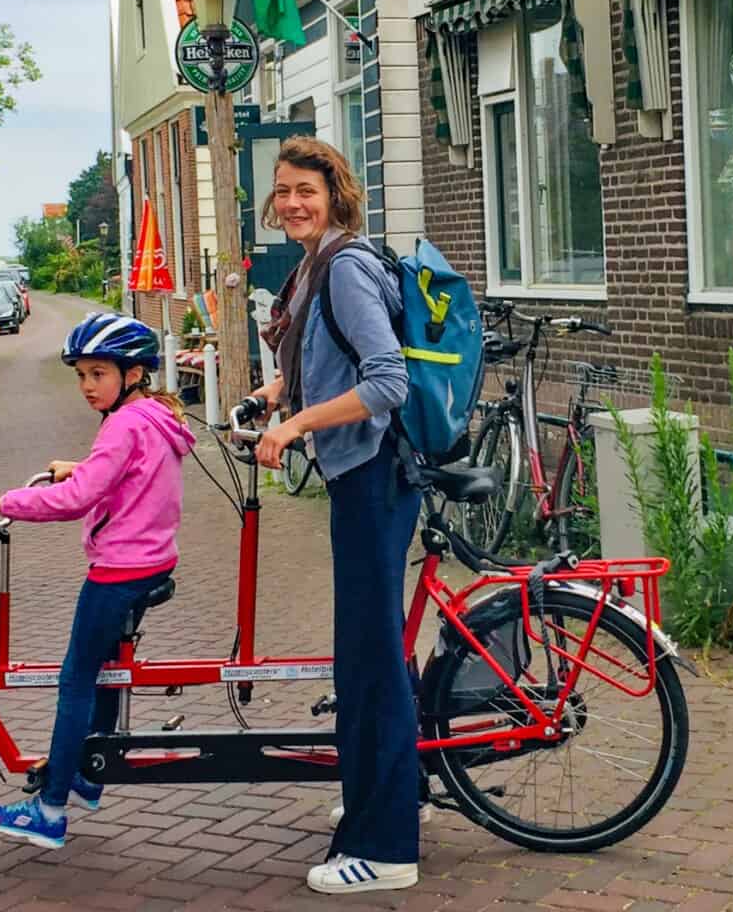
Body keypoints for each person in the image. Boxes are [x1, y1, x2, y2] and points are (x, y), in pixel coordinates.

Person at [251, 137, 422, 895]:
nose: (292, 202)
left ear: (336, 195)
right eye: (283, 190)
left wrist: (294, 428)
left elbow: (386, 381)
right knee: (370, 650)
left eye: (306, 191)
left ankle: (386, 849)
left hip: (374, 476)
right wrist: (270, 400)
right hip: (360, 476)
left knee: (370, 659)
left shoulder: (344, 264)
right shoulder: (318, 263)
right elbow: (329, 361)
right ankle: (387, 794)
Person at [0, 313, 195, 850]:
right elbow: (127, 472)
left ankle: (48, 811)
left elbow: (76, 500)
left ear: (132, 373)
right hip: (153, 561)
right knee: (107, 673)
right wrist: (83, 465)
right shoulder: (153, 417)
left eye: (98, 374)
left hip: (118, 573)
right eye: (81, 376)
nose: (88, 386)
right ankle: (89, 776)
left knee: (75, 682)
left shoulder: (124, 424)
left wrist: (5, 503)